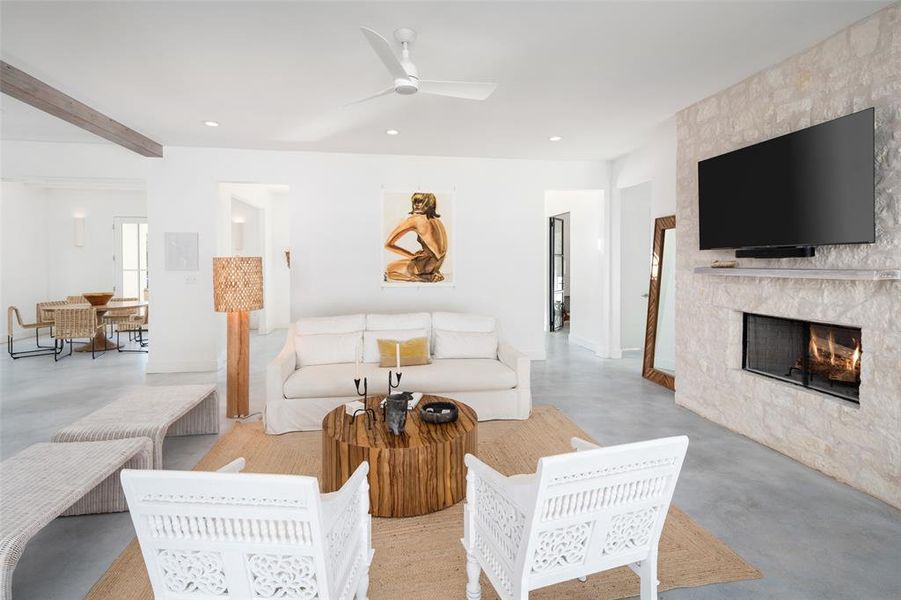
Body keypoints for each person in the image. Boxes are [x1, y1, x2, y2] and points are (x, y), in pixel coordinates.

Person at [384, 192, 448, 282]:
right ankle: (431, 274)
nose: (416, 205)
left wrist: (411, 256)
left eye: (421, 201)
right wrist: (425, 253)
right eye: (415, 201)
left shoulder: (415, 219)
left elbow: (388, 244)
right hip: (437, 265)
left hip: (426, 265)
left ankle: (421, 278)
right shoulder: (436, 220)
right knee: (403, 263)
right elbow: (439, 250)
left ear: (429, 203)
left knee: (389, 269)